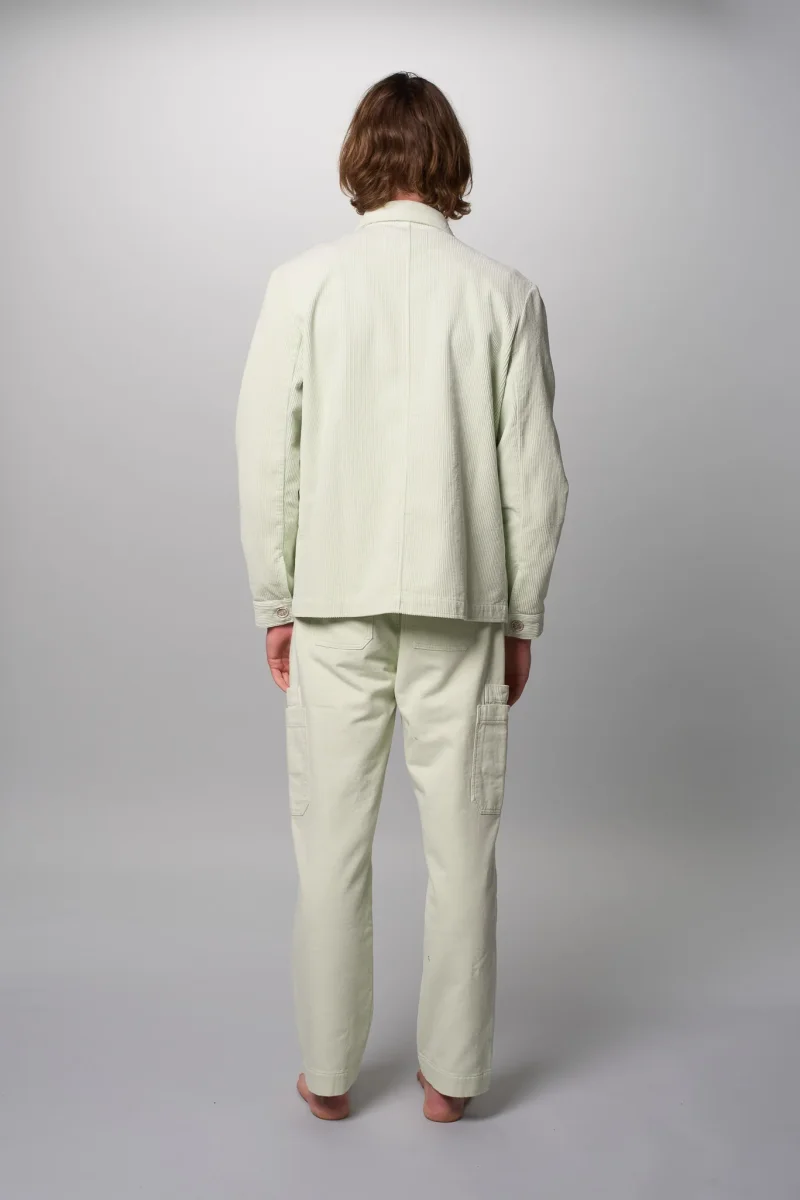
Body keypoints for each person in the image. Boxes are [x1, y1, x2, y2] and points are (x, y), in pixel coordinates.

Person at [235, 71, 569, 1122]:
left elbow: (266, 459)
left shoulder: (302, 285)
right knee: (463, 853)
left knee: (330, 851)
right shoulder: (505, 295)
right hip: (462, 603)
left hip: (333, 601)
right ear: (449, 161)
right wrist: (520, 616)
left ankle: (330, 1076)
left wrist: (276, 600)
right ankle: (452, 1081)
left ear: (361, 159)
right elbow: (534, 480)